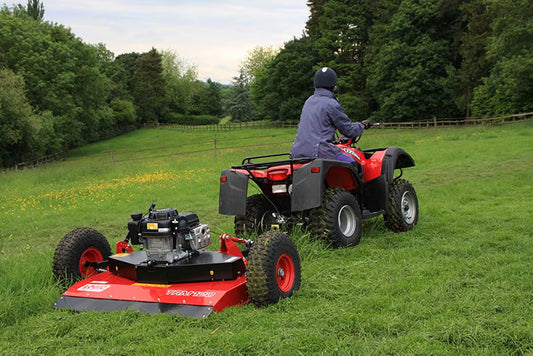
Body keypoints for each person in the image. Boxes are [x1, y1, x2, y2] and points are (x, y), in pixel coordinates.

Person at [290, 67, 370, 162]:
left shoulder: (308, 101)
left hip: (297, 153)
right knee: (355, 164)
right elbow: (349, 130)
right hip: (320, 152)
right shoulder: (331, 104)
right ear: (334, 86)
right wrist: (362, 125)